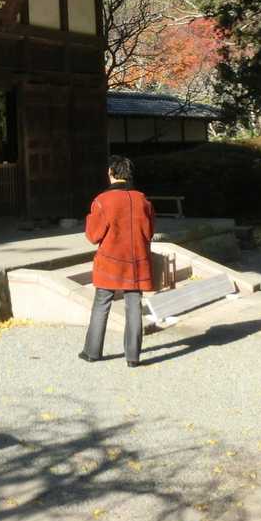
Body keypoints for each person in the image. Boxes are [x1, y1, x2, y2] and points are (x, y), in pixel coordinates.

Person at [80, 155, 156, 368]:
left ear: (110, 173)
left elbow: (93, 235)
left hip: (110, 262)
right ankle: (133, 357)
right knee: (134, 306)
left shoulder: (102, 200)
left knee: (101, 304)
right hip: (136, 262)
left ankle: (92, 352)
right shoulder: (142, 200)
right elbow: (149, 232)